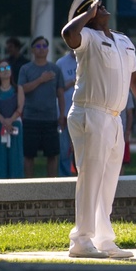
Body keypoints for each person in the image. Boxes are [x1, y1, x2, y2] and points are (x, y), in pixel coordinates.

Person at [62, 0, 136, 259]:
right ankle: (81, 241)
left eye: (100, 6)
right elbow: (68, 34)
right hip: (90, 113)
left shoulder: (123, 40)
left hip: (114, 117)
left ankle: (104, 239)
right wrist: (87, 15)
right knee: (91, 177)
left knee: (108, 181)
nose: (101, 8)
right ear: (86, 17)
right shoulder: (87, 37)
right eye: (93, 8)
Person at [19, 35, 66, 178]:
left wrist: (62, 115)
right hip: (30, 118)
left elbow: (60, 94)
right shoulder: (26, 69)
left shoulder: (55, 69)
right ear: (33, 50)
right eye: (38, 46)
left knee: (52, 155)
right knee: (29, 155)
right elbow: (22, 89)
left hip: (50, 118)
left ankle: (51, 184)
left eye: (44, 46)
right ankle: (29, 184)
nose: (41, 49)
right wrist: (40, 80)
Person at [0, 59, 25, 178]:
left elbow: (20, 107)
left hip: (15, 125)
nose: (5, 71)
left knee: (15, 156)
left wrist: (10, 120)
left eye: (7, 68)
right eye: (2, 69)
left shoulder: (18, 89)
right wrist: (3, 121)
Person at [56, 45, 78, 176]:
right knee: (65, 150)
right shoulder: (61, 63)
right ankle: (64, 179)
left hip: (85, 115)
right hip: (65, 114)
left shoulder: (89, 60)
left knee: (82, 151)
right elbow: (57, 89)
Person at [119, 91, 136, 175]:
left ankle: (120, 180)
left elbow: (130, 114)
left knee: (121, 161)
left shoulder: (127, 94)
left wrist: (128, 131)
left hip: (122, 131)